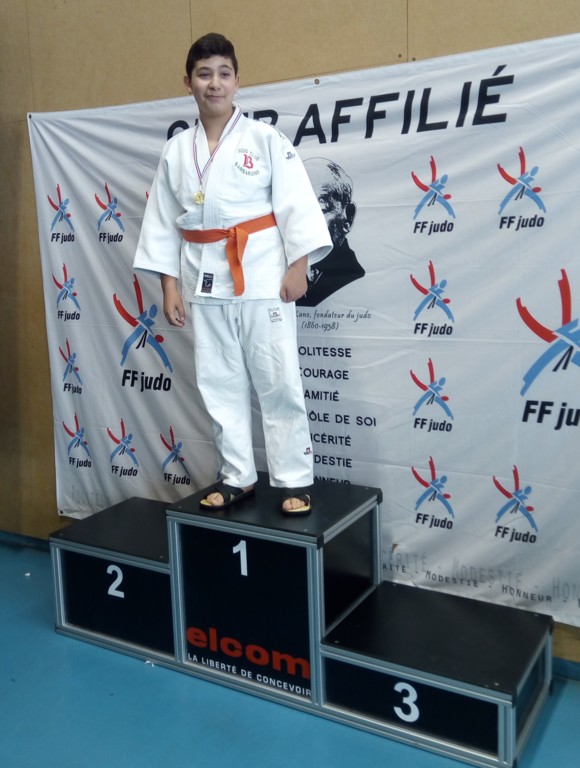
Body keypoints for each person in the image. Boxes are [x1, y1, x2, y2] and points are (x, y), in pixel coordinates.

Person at [133, 33, 332, 515]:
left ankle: (294, 479)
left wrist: (299, 265)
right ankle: (237, 475)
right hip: (202, 277)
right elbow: (163, 222)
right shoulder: (176, 150)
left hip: (263, 275)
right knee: (217, 382)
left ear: (237, 81)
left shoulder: (265, 139)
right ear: (188, 82)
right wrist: (168, 285)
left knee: (277, 379)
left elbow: (297, 203)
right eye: (204, 74)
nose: (214, 83)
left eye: (223, 74)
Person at [297, 158, 364, 307]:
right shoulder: (276, 273)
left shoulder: (354, 278)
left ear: (348, 217)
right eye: (296, 210)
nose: (303, 220)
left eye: (320, 209)